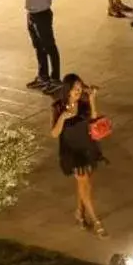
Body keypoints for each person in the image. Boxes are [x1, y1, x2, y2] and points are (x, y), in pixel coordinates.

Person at [50, 75, 106, 236]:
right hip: (71, 152)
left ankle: (79, 213)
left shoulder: (83, 104)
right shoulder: (58, 107)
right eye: (76, 89)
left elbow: (94, 119)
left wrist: (92, 99)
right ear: (67, 90)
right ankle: (96, 221)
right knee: (85, 186)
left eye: (80, 88)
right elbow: (54, 133)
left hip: (87, 148)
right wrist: (62, 118)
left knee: (84, 185)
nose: (78, 91)